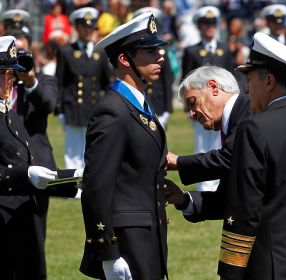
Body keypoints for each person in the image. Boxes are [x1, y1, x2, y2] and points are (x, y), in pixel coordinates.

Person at [166, 32, 286, 280]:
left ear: (269, 81)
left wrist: (231, 269)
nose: (247, 88)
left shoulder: (255, 127)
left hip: (269, 265)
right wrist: (185, 199)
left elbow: (244, 205)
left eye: (250, 79)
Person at [80, 13, 169, 280]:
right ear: (124, 59)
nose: (160, 57)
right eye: (150, 51)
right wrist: (108, 253)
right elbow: (96, 187)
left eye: (158, 50)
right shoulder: (112, 111)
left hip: (147, 234)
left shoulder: (138, 103)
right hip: (127, 240)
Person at [0, 35, 80, 280]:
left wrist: (71, 180)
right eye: (7, 72)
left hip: (19, 220)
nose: (14, 77)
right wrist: (26, 175)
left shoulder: (10, 116)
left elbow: (27, 169)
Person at [4, 29, 59, 280]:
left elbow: (48, 103)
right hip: (7, 187)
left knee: (33, 250)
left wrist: (30, 81)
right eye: (8, 70)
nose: (13, 75)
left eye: (23, 54)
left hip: (36, 177)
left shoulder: (42, 81)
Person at [165, 65, 253, 220]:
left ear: (213, 87)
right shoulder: (234, 119)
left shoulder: (249, 109)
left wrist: (178, 162)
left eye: (193, 102)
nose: (192, 114)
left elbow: (231, 159)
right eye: (188, 109)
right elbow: (226, 200)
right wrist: (183, 199)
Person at [182, 6, 233, 191]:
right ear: (199, 26)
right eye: (206, 24)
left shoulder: (225, 49)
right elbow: (185, 82)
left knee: (220, 144)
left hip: (221, 108)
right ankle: (204, 185)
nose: (210, 27)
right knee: (202, 145)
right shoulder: (191, 51)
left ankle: (217, 182)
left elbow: (231, 80)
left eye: (213, 23)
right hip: (201, 108)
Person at [55, 7, 110, 175]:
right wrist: (59, 109)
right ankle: (73, 186)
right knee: (73, 150)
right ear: (76, 28)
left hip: (93, 108)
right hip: (73, 107)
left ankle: (88, 184)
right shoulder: (66, 51)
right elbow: (59, 82)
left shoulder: (99, 53)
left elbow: (105, 84)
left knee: (91, 149)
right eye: (84, 27)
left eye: (91, 27)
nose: (88, 30)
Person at [133, 7, 174, 128]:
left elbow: (167, 81)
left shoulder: (163, 54)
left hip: (158, 105)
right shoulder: (133, 54)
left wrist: (168, 109)